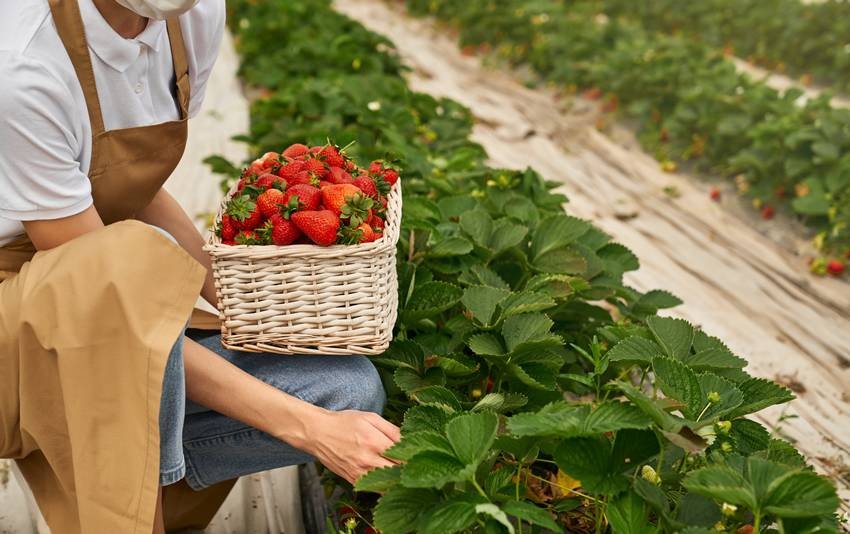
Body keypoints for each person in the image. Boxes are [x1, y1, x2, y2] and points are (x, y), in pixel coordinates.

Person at [0, 1, 400, 533]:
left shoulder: (193, 17)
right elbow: (110, 299)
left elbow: (128, 187)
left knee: (343, 388)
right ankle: (121, 502)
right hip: (22, 328)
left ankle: (127, 482)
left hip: (107, 292)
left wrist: (246, 307)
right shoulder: (23, 65)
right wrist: (310, 429)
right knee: (131, 262)